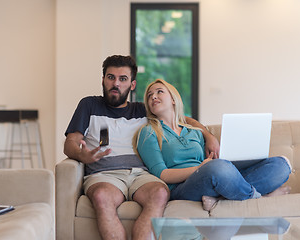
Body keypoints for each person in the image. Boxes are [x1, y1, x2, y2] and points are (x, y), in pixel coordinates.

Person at [64, 55, 220, 240]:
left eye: (123, 79)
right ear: (103, 80)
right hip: (104, 174)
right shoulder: (88, 105)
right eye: (111, 77)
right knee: (101, 197)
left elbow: (182, 119)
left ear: (132, 85)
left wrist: (208, 135)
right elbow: (70, 143)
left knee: (160, 193)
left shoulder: (142, 109)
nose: (116, 83)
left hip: (142, 175)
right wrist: (83, 155)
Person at [133, 79, 292, 212]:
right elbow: (162, 174)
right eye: (149, 95)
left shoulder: (194, 131)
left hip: (210, 177)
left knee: (281, 164)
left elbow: (210, 162)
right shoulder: (148, 133)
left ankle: (221, 198)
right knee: (218, 168)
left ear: (173, 99)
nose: (153, 96)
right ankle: (259, 198)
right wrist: (200, 168)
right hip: (182, 188)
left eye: (159, 92)